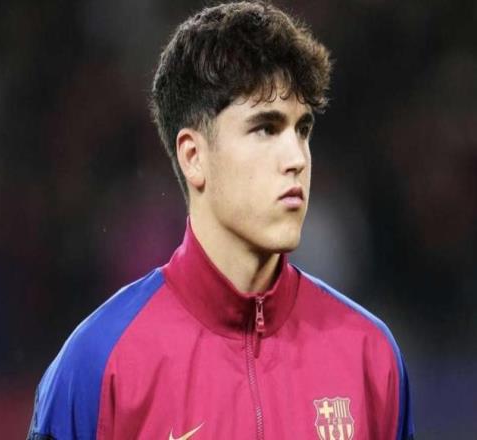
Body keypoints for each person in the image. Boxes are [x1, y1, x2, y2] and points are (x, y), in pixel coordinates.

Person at [28, 2, 414, 439]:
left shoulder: (370, 356)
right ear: (194, 156)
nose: (297, 158)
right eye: (265, 128)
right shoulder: (99, 364)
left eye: (302, 129)